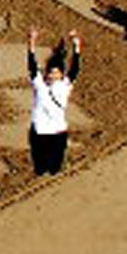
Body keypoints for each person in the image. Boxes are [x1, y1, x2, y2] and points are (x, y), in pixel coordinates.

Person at [26, 28, 80, 175]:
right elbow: (32, 67)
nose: (52, 75)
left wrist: (76, 46)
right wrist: (31, 44)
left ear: (61, 74)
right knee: (40, 169)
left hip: (58, 132)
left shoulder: (65, 86)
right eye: (50, 72)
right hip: (39, 131)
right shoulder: (39, 84)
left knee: (54, 169)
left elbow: (75, 69)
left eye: (56, 73)